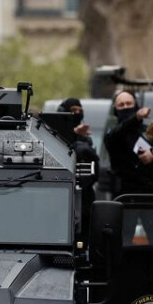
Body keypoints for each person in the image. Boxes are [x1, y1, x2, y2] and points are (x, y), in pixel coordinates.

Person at [104, 90, 153, 197]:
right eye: (121, 105)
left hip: (151, 193)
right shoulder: (113, 135)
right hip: (125, 197)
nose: (125, 107)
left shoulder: (148, 131)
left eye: (129, 103)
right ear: (116, 110)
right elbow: (117, 133)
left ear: (135, 106)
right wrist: (136, 117)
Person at [59, 97, 100, 227]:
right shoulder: (53, 132)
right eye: (73, 110)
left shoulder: (86, 139)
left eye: (80, 110)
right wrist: (73, 133)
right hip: (61, 193)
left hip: (84, 195)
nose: (77, 113)